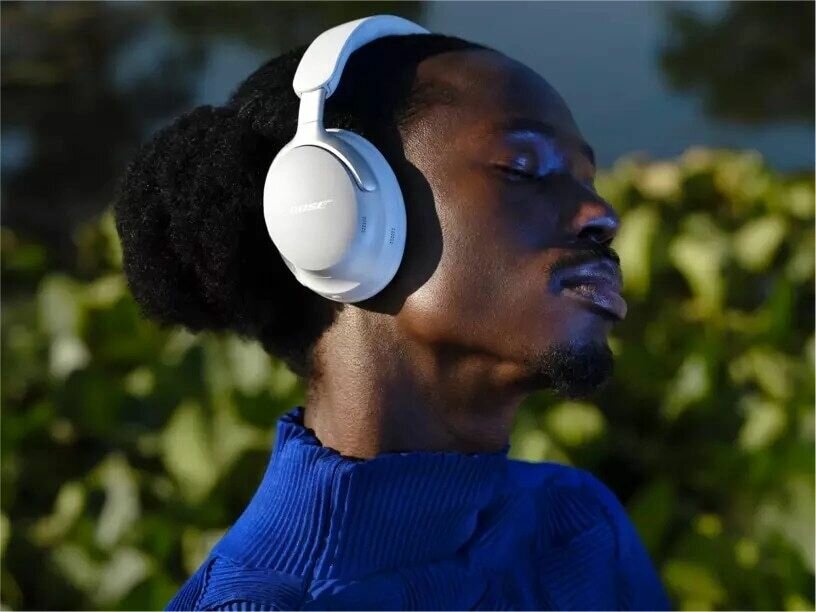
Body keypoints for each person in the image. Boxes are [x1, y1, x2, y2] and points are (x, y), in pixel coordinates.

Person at [115, 14, 671, 611]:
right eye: (522, 168)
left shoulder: (576, 523)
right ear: (337, 214)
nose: (601, 214)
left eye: (588, 180)